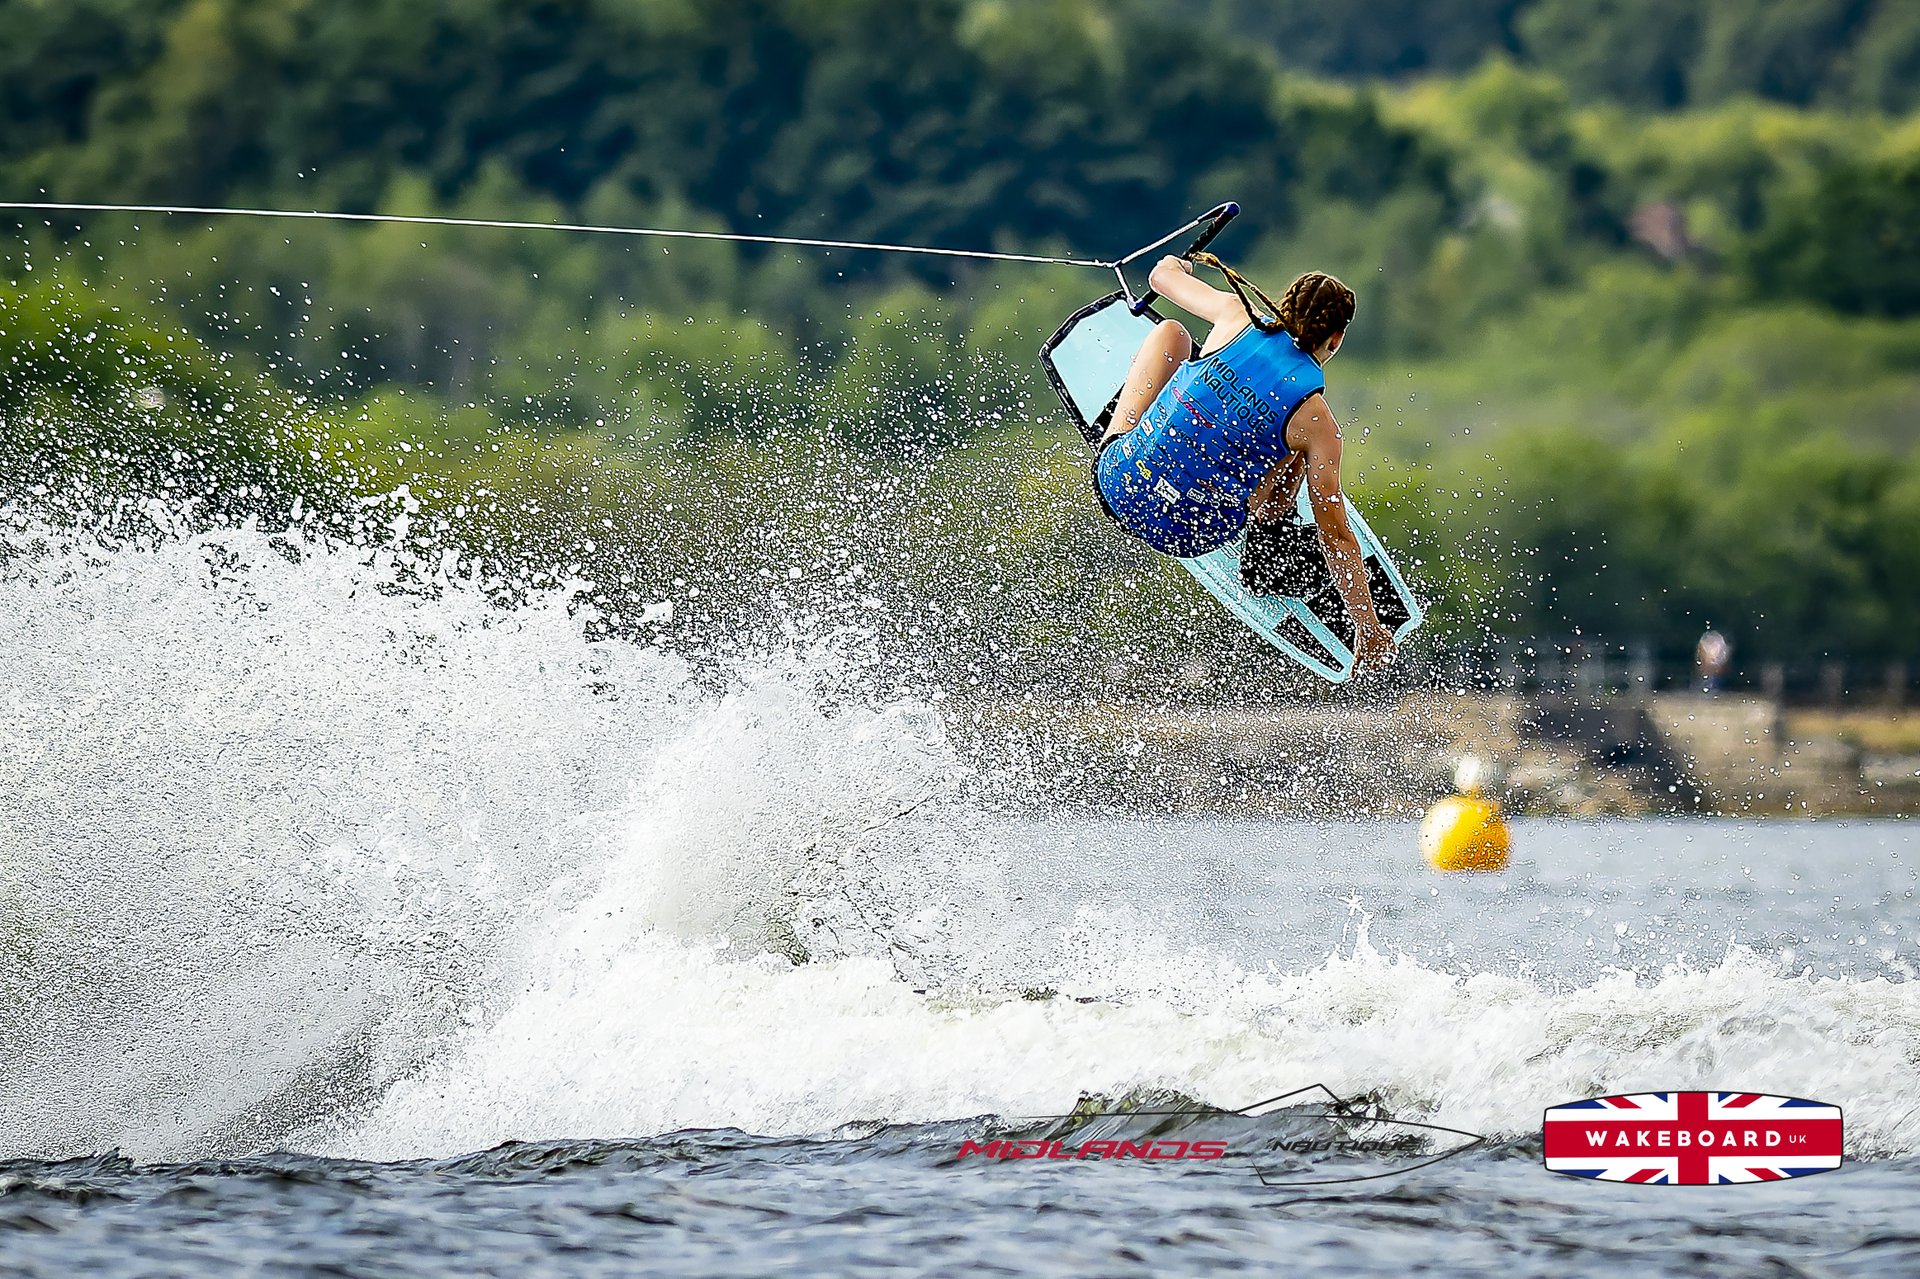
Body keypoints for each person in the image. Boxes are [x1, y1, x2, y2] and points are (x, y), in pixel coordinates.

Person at [1093, 254, 1396, 668]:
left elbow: (1159, 277)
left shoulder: (1235, 314)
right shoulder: (1318, 422)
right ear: (1335, 339)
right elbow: (1337, 535)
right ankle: (1267, 542)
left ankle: (1129, 426)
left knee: (1172, 333)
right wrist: (1368, 625)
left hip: (1118, 483)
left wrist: (1178, 265)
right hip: (1193, 538)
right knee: (1293, 450)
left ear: (1283, 304)